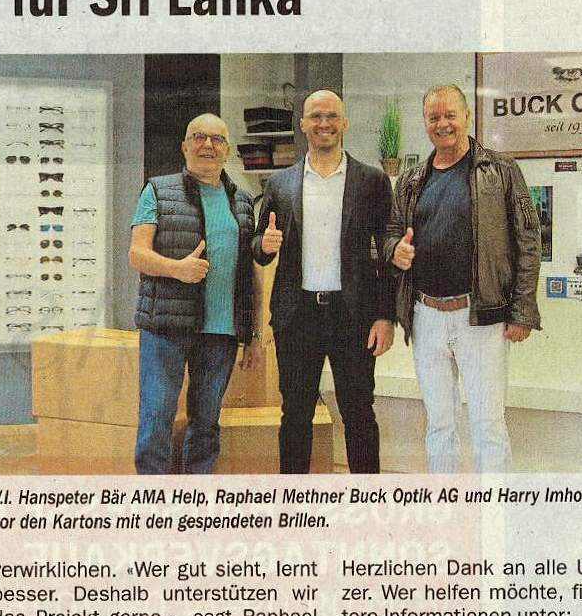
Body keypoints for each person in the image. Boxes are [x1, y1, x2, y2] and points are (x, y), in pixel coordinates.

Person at [384, 84, 541, 473]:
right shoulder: (410, 179)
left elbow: (528, 241)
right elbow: (388, 234)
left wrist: (522, 311)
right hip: (427, 316)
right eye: (434, 117)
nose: (443, 124)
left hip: (482, 317)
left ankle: (493, 516)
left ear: (467, 117)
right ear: (425, 122)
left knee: (488, 425)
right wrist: (394, 251)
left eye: (450, 115)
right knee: (439, 425)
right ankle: (448, 513)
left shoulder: (500, 171)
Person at [253, 90, 395, 474]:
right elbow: (258, 243)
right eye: (315, 116)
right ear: (303, 125)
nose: (324, 123)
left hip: (354, 318)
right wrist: (264, 246)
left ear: (344, 123)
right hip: (296, 316)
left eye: (332, 116)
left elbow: (386, 254)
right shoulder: (280, 183)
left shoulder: (372, 181)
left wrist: (385, 317)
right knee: (295, 414)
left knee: (359, 414)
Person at [129, 113, 261, 474]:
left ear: (227, 149)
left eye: (217, 139)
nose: (208, 145)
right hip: (165, 330)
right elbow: (136, 254)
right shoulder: (158, 189)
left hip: (221, 334)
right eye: (199, 137)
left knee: (206, 425)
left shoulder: (243, 201)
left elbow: (249, 274)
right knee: (156, 420)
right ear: (185, 146)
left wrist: (253, 335)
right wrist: (177, 269)